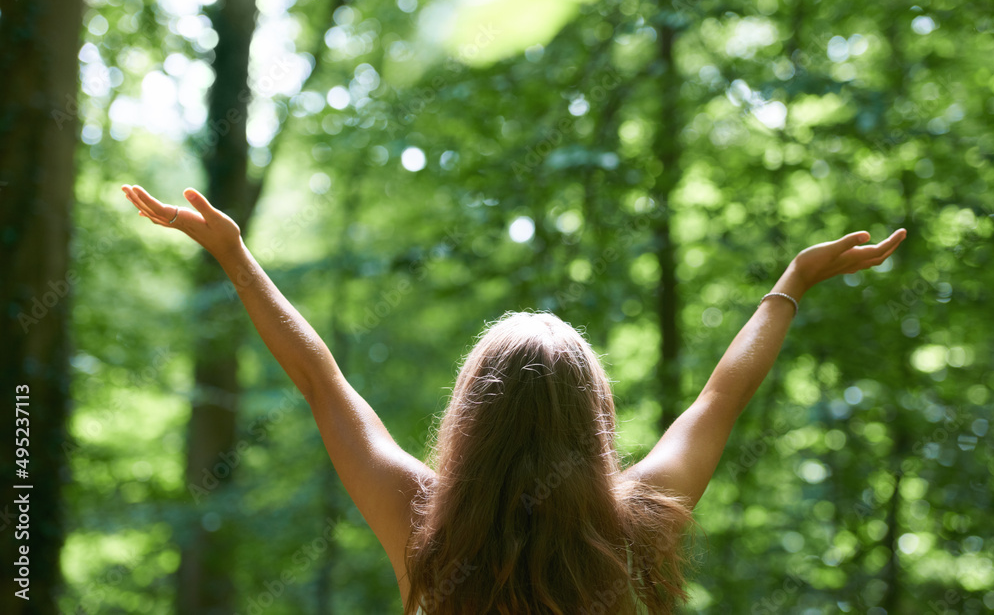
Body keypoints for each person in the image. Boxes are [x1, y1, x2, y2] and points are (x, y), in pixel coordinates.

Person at [121, 184, 906, 613]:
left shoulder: (424, 528)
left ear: (471, 420)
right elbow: (720, 396)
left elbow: (321, 379)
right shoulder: (636, 523)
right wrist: (791, 282)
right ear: (593, 422)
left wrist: (234, 255)